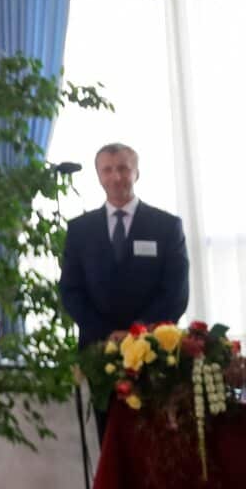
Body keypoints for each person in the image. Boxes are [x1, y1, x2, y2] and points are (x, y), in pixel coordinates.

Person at [59, 142, 189, 442]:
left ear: (136, 173)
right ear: (99, 176)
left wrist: (136, 333)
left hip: (154, 353)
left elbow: (176, 291)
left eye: (123, 168)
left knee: (154, 440)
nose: (116, 176)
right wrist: (108, 334)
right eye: (108, 169)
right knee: (109, 441)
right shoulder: (80, 230)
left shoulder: (166, 227)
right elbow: (71, 290)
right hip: (99, 351)